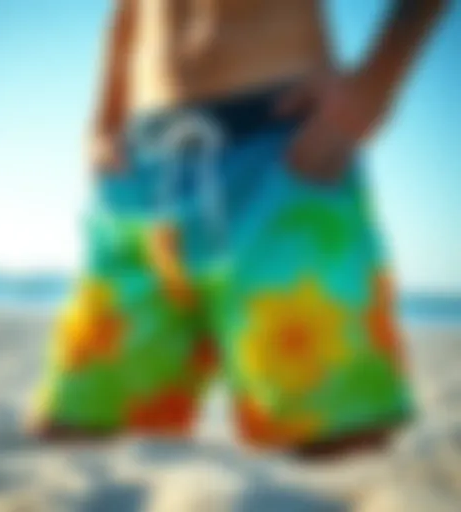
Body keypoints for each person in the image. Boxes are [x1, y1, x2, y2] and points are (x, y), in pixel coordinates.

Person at [29, 0, 449, 456]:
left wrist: (376, 84)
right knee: (76, 427)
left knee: (335, 439)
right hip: (141, 170)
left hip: (283, 154)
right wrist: (102, 120)